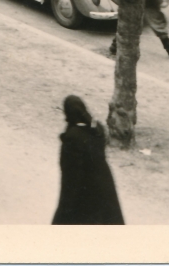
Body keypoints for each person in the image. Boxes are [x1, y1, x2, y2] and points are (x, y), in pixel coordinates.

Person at [50, 95, 125, 225]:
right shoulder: (97, 129)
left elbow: (71, 179)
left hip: (86, 196)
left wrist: (63, 210)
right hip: (105, 190)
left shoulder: (72, 138)